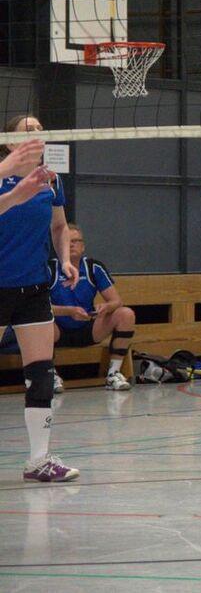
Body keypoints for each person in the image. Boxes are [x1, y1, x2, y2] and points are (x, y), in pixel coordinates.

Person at [0, 114, 79, 482]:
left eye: (40, 130)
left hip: (33, 288)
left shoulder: (51, 179)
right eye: (27, 130)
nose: (36, 134)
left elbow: (59, 226)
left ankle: (38, 460)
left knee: (41, 374)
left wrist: (64, 259)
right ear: (9, 141)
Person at [49, 223, 135, 392]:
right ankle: (50, 375)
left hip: (88, 327)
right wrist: (68, 311)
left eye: (76, 241)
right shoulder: (49, 268)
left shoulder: (93, 267)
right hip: (57, 329)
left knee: (125, 314)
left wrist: (106, 306)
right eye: (67, 241)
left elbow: (117, 301)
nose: (72, 245)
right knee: (39, 321)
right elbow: (39, 308)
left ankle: (113, 374)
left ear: (83, 246)